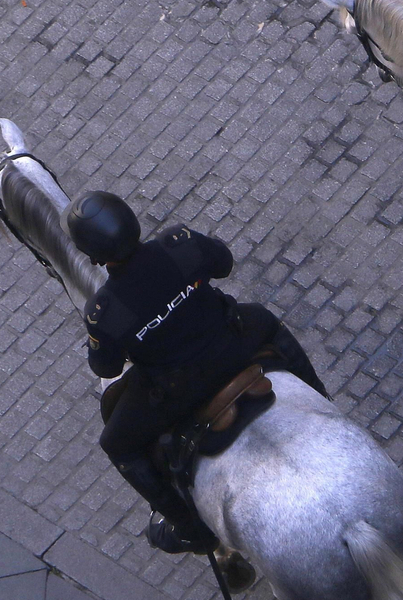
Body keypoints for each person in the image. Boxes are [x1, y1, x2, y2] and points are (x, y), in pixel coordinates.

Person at [67, 191, 327, 555]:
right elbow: (224, 263)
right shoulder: (178, 244)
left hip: (177, 390)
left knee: (116, 443)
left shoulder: (104, 311)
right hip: (232, 344)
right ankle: (321, 397)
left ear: (94, 257)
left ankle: (190, 528)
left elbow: (106, 367)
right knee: (266, 320)